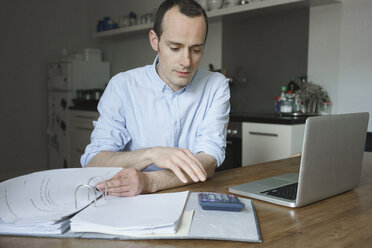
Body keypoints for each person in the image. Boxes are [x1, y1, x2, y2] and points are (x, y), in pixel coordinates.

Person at [81, 0, 230, 197]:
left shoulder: (215, 85)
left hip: (192, 197)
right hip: (131, 202)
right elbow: (93, 162)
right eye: (175, 48)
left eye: (196, 50)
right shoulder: (122, 86)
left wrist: (150, 181)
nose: (186, 62)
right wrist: (151, 154)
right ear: (155, 41)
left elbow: (208, 162)